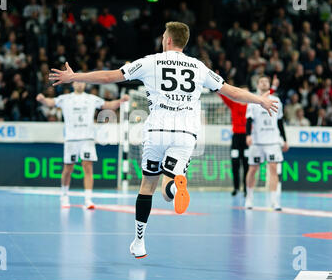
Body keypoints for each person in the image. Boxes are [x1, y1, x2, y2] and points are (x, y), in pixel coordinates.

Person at [48, 21, 278, 259]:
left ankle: (139, 242)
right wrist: (260, 100)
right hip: (186, 134)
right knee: (169, 187)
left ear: (168, 39)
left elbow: (109, 77)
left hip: (157, 130)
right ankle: (173, 184)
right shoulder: (198, 66)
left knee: (147, 185)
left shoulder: (151, 61)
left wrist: (75, 76)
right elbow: (232, 91)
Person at [36, 81, 129, 209]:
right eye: (77, 82)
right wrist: (42, 99)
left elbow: (108, 105)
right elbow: (51, 102)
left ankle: (88, 199)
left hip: (87, 139)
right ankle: (64, 195)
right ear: (73, 84)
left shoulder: (91, 99)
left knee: (88, 168)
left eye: (82, 82)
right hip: (71, 139)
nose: (79, 84)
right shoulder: (65, 98)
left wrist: (121, 100)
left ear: (85, 85)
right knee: (68, 169)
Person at [245, 75, 289, 211]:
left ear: (269, 84)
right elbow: (248, 120)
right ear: (257, 85)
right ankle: (249, 198)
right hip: (257, 141)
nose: (264, 83)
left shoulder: (276, 100)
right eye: (261, 82)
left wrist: (285, 139)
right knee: (252, 170)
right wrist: (247, 135)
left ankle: (274, 201)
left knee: (273, 169)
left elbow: (280, 121)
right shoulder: (252, 101)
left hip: (273, 141)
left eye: (266, 82)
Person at [218, 86, 249, 197]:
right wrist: (217, 82)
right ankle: (236, 188)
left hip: (247, 139)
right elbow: (222, 95)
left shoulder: (251, 106)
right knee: (235, 163)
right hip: (236, 139)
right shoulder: (233, 104)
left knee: (246, 164)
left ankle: (246, 188)